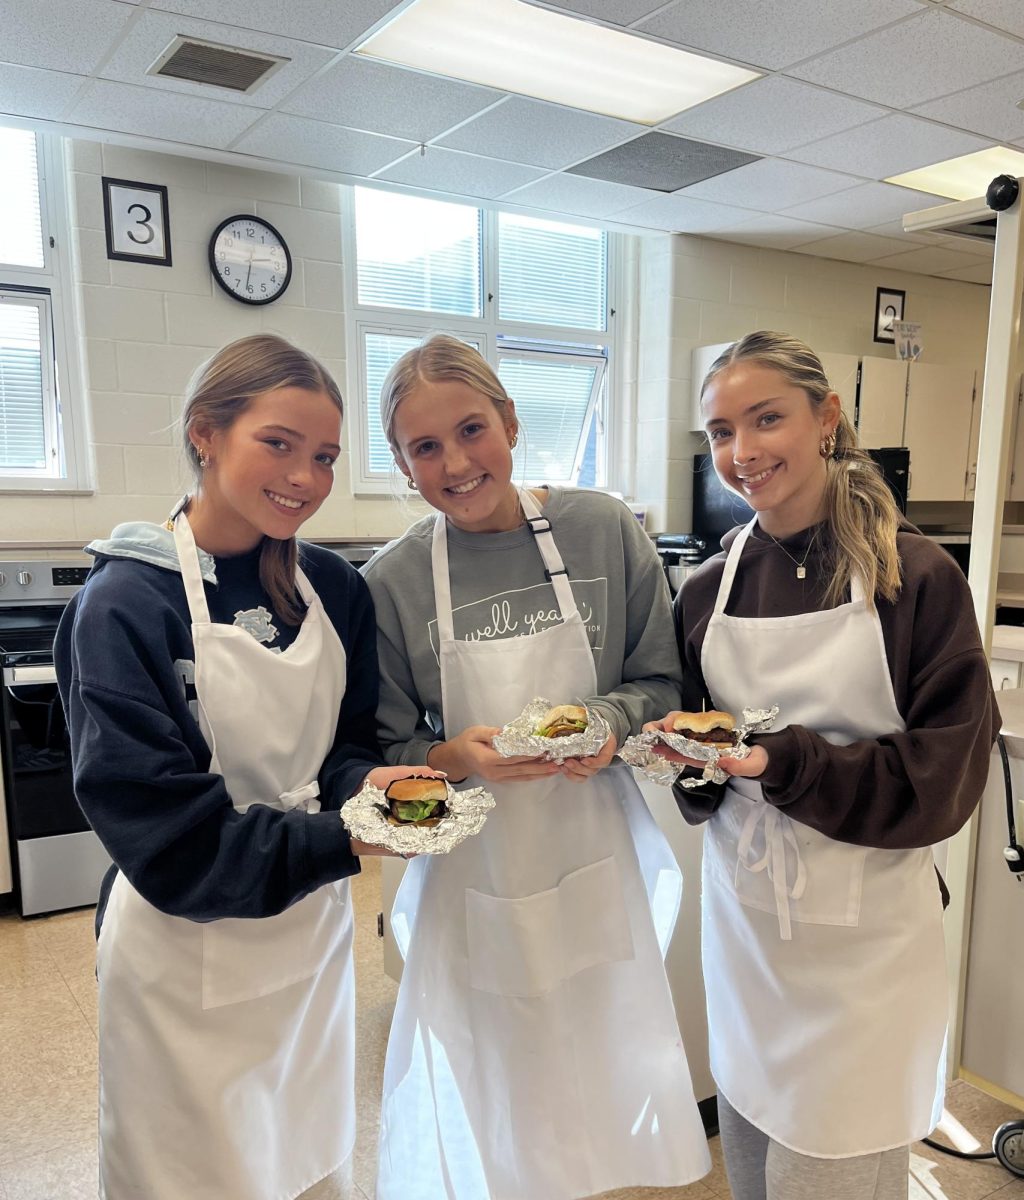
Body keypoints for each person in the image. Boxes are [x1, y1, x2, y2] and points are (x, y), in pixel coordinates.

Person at [55, 334, 437, 1200]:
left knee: (305, 1160)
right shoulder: (124, 605)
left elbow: (342, 750)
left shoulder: (333, 589)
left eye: (326, 457)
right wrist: (353, 834)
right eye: (279, 444)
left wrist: (367, 787)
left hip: (305, 939)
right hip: (184, 963)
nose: (304, 477)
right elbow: (174, 844)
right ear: (205, 433)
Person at [650, 330, 999, 1200]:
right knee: (757, 1173)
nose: (743, 452)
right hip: (747, 937)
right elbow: (708, 765)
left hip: (865, 955)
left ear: (827, 417)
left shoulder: (914, 578)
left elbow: (945, 777)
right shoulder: (706, 590)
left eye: (767, 419)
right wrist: (686, 761)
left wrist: (780, 761)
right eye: (722, 431)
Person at [362, 334, 711, 1200]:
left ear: (511, 423)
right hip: (472, 880)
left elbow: (659, 679)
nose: (457, 462)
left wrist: (604, 721)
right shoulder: (394, 581)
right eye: (425, 448)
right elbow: (382, 755)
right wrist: (448, 759)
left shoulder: (601, 530)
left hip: (593, 858)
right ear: (404, 469)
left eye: (473, 429)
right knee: (491, 1089)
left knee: (598, 1077)